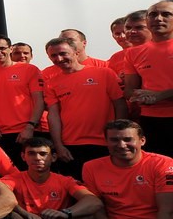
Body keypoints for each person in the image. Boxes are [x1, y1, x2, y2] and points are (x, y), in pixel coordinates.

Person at [44, 37, 126, 180]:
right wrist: (58, 146)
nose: (59, 58)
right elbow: (53, 115)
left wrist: (118, 138)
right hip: (71, 145)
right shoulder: (52, 83)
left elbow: (120, 104)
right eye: (53, 56)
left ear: (76, 52)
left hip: (104, 143)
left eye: (63, 53)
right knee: (78, 188)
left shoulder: (104, 73)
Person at [0, 34, 44, 165]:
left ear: (10, 49)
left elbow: (39, 101)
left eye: (2, 48)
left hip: (25, 133)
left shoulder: (29, 70)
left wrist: (30, 126)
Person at [121, 1, 173, 155]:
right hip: (152, 120)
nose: (158, 18)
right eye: (152, 15)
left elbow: (157, 95)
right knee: (162, 169)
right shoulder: (133, 53)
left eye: (166, 14)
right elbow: (129, 90)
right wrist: (139, 96)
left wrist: (159, 96)